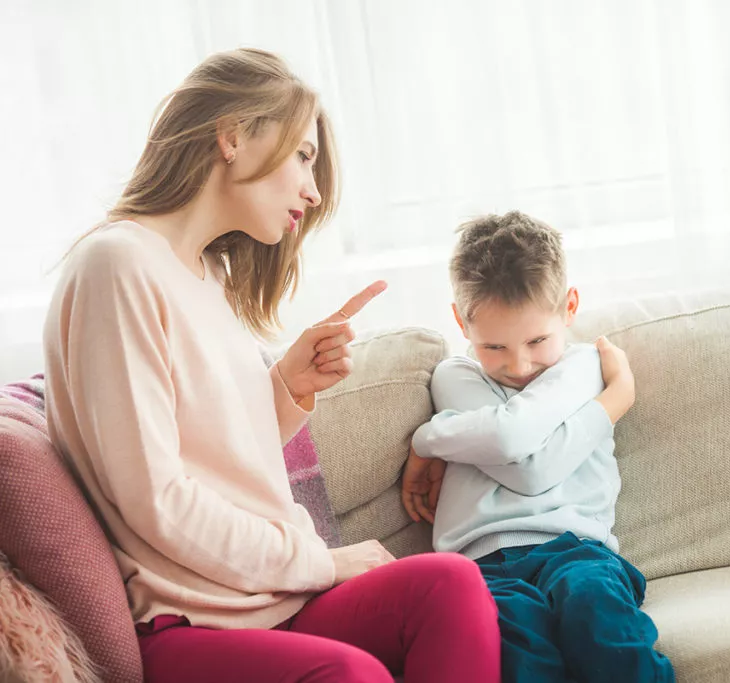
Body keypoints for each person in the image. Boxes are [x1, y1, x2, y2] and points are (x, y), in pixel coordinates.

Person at [43, 48, 500, 683]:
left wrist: (285, 385)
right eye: (304, 156)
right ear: (232, 136)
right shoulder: (117, 265)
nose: (314, 191)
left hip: (272, 603)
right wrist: (318, 560)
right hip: (190, 621)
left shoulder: (206, 274)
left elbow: (220, 455)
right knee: (350, 674)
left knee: (451, 584)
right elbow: (156, 498)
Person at [401, 211, 675, 683]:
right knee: (516, 652)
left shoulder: (585, 364)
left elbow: (522, 459)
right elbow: (518, 448)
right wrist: (612, 403)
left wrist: (430, 438)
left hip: (578, 551)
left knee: (599, 619)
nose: (520, 365)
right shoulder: (455, 377)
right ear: (459, 321)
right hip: (483, 566)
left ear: (569, 307)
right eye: (494, 347)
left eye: (537, 340)